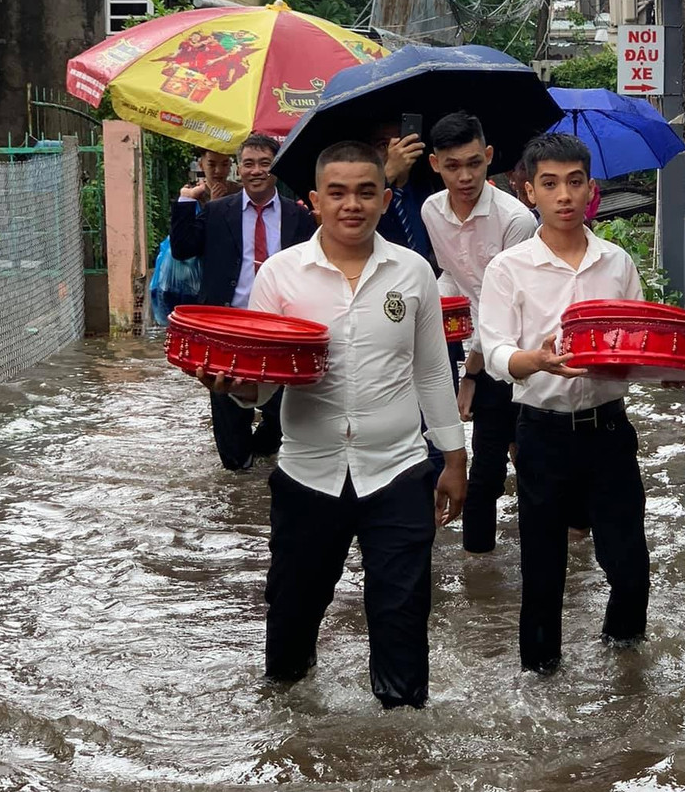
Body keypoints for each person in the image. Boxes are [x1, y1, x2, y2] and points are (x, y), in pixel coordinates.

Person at [200, 139, 467, 704]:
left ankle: (403, 750)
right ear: (315, 202)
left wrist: (454, 456)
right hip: (307, 471)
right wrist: (237, 389)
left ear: (384, 198)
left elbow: (430, 369)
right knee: (293, 617)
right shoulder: (281, 276)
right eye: (339, 193)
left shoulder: (412, 272)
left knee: (401, 612)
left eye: (366, 192)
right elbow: (263, 380)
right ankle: (290, 732)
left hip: (397, 469)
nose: (353, 205)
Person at [478, 131, 653, 673]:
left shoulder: (617, 262)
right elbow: (494, 351)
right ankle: (541, 677)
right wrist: (535, 360)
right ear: (529, 191)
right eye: (550, 184)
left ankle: (624, 667)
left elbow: (641, 334)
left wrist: (665, 370)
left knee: (628, 565)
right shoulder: (508, 268)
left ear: (591, 189)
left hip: (608, 430)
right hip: (541, 432)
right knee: (543, 567)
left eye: (574, 182)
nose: (564, 196)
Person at [420, 111, 537, 554]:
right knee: (485, 469)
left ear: (488, 157)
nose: (464, 176)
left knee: (535, 456)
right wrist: (428, 313)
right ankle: (479, 569)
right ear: (435, 164)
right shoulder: (432, 211)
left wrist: (469, 372)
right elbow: (451, 276)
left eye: (474, 163)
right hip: (477, 351)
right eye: (452, 166)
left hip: (522, 352)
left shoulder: (515, 219)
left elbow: (503, 304)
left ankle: (568, 532)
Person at [171, 130, 316, 472]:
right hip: (227, 328)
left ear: (276, 167)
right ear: (239, 168)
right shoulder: (219, 211)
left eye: (264, 163)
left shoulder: (299, 216)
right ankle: (239, 474)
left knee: (284, 414)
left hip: (280, 330)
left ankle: (262, 456)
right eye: (247, 163)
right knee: (228, 419)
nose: (255, 170)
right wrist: (186, 202)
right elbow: (182, 248)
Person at [370, 120, 436, 265]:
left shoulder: (429, 186)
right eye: (383, 145)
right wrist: (388, 174)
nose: (396, 152)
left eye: (403, 142)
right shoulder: (367, 198)